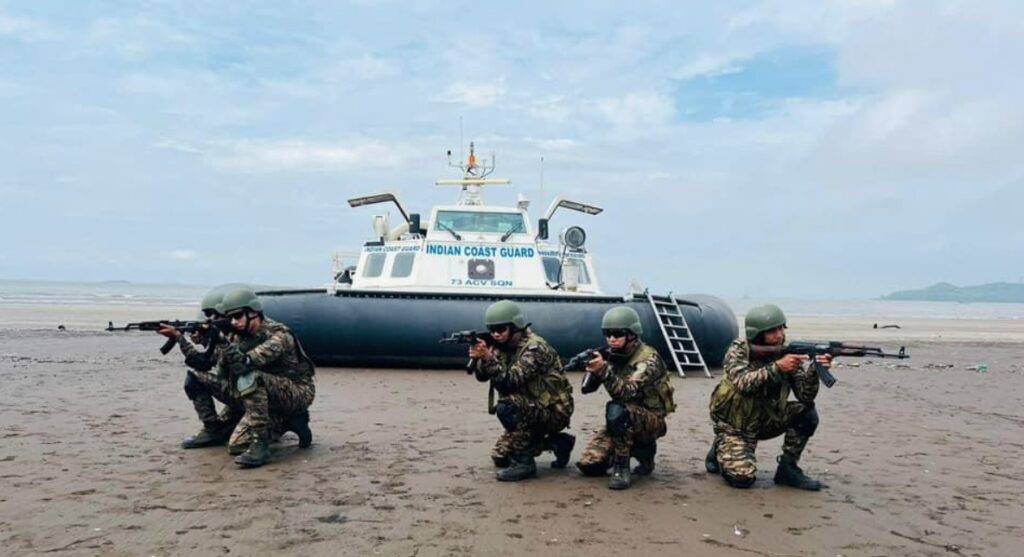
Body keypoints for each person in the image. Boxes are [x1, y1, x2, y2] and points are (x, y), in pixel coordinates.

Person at [705, 304, 829, 490]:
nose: (779, 335)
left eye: (781, 328)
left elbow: (805, 395)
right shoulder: (740, 351)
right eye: (772, 331)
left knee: (807, 413)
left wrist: (815, 369)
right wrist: (777, 368)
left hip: (766, 419)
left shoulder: (785, 353)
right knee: (742, 479)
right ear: (756, 334)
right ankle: (720, 447)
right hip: (735, 426)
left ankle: (788, 468)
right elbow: (743, 383)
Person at [468, 300, 575, 481]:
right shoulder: (502, 347)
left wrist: (488, 358)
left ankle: (524, 464)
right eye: (492, 329)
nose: (496, 334)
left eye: (501, 329)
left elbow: (509, 382)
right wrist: (482, 359)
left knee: (507, 406)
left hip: (554, 411)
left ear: (515, 327)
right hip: (528, 407)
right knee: (500, 457)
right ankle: (558, 443)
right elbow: (482, 377)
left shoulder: (535, 348)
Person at [575, 306, 675, 490]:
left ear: (632, 334)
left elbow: (627, 393)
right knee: (590, 465)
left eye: (618, 334)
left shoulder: (648, 360)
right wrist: (592, 369)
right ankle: (638, 450)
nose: (611, 339)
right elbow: (586, 389)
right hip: (621, 421)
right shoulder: (613, 356)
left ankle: (623, 466)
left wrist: (604, 370)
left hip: (650, 420)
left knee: (616, 408)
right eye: (607, 333)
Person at [159, 284, 242, 451]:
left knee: (194, 378)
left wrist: (179, 339)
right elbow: (204, 361)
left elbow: (202, 363)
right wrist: (204, 340)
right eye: (207, 315)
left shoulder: (235, 337)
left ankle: (212, 430)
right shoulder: (226, 335)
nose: (208, 320)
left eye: (213, 315)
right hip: (242, 391)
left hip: (249, 393)